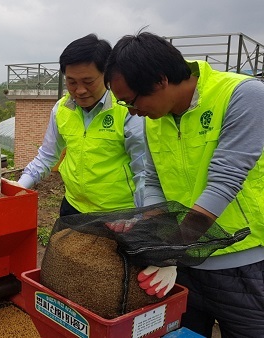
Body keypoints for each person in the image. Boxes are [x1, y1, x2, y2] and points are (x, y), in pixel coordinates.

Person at [104, 31, 264, 337]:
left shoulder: (243, 95)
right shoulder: (154, 118)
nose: (132, 112)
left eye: (131, 101)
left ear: (161, 80)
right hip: (184, 268)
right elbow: (154, 182)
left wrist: (172, 253)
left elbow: (224, 183)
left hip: (242, 265)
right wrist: (146, 224)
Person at [15, 34, 145, 216]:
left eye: (88, 82)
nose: (80, 90)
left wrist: (140, 215)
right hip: (73, 206)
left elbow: (143, 170)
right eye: (71, 82)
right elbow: (47, 156)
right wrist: (20, 186)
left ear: (107, 75)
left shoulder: (128, 110)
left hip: (119, 213)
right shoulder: (62, 109)